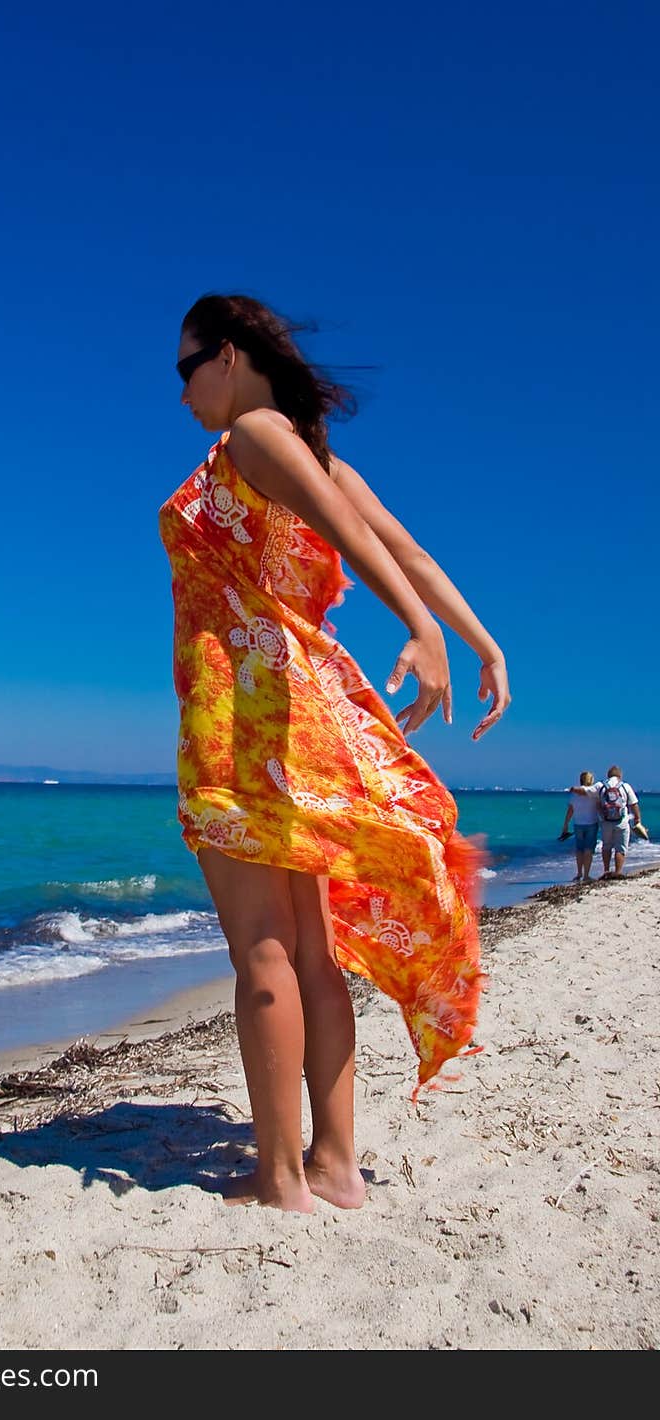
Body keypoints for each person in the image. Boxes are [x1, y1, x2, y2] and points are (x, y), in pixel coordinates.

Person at [158, 293, 511, 1213]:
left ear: (227, 356)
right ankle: (336, 1167)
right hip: (301, 727)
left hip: (242, 723)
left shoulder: (252, 436)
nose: (182, 388)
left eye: (185, 366)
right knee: (310, 953)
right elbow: (408, 548)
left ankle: (279, 1180)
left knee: (264, 955)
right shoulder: (311, 453)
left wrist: (427, 629)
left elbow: (368, 547)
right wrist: (481, 642)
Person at [570, 764, 644, 877]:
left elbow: (586, 791)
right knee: (620, 848)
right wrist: (637, 820)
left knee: (607, 846)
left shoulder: (601, 786)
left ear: (608, 775)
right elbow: (634, 804)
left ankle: (606, 871)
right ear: (620, 775)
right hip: (622, 822)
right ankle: (618, 872)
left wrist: (573, 789)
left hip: (606, 822)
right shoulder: (625, 786)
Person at [559, 771, 600, 882]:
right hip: (591, 823)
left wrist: (566, 824)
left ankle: (579, 873)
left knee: (579, 849)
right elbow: (599, 807)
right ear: (590, 781)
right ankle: (586, 875)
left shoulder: (574, 794)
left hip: (578, 824)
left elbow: (570, 810)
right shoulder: (594, 793)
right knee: (588, 849)